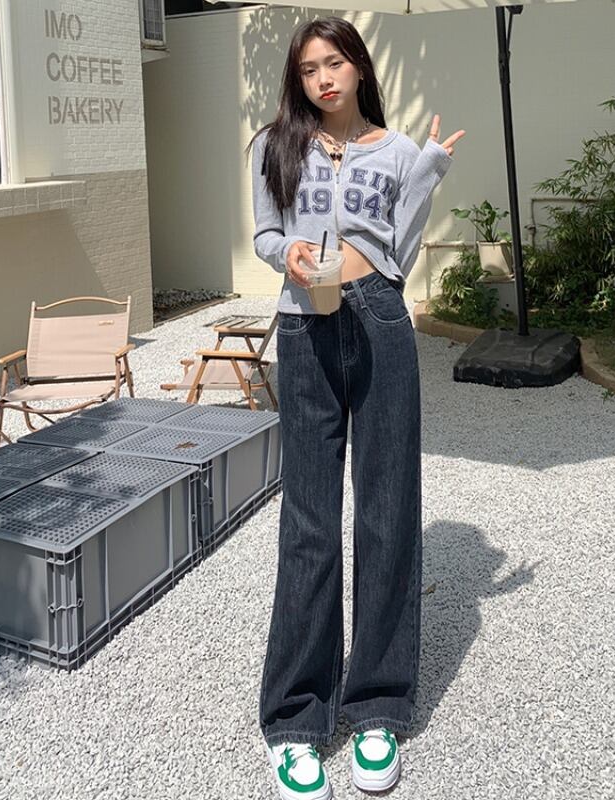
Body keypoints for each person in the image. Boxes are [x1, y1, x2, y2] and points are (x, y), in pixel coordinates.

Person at [246, 16, 465, 800]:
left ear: (359, 67)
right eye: (309, 69)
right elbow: (266, 235)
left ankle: (376, 705)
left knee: (387, 511)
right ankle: (296, 717)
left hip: (379, 319)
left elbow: (401, 250)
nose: (323, 79)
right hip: (305, 325)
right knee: (309, 521)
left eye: (334, 62)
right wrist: (291, 254)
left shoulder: (398, 150)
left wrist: (427, 172)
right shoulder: (274, 145)